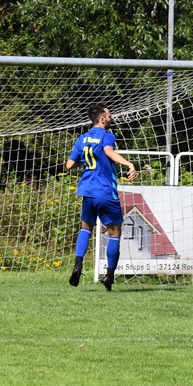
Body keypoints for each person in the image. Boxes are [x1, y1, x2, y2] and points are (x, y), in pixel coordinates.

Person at [65, 102, 138, 291]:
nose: (112, 118)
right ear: (103, 119)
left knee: (85, 228)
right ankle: (109, 276)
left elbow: (69, 165)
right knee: (115, 233)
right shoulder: (107, 135)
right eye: (110, 115)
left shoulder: (83, 138)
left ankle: (78, 265)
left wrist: (85, 160)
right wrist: (129, 164)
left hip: (87, 192)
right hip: (105, 191)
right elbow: (108, 151)